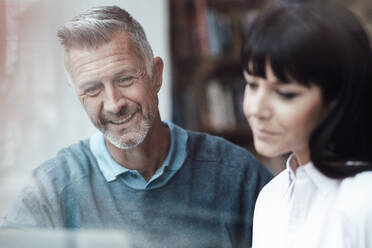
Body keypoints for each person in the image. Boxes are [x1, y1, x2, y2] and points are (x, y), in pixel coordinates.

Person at [0, 5, 272, 247]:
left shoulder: (238, 176)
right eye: (93, 90)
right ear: (78, 95)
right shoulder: (53, 187)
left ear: (156, 75)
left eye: (125, 79)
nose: (113, 103)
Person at [241, 1, 372, 247]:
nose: (257, 109)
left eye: (286, 94)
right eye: (252, 84)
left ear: (336, 98)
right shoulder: (271, 197)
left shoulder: (364, 200)